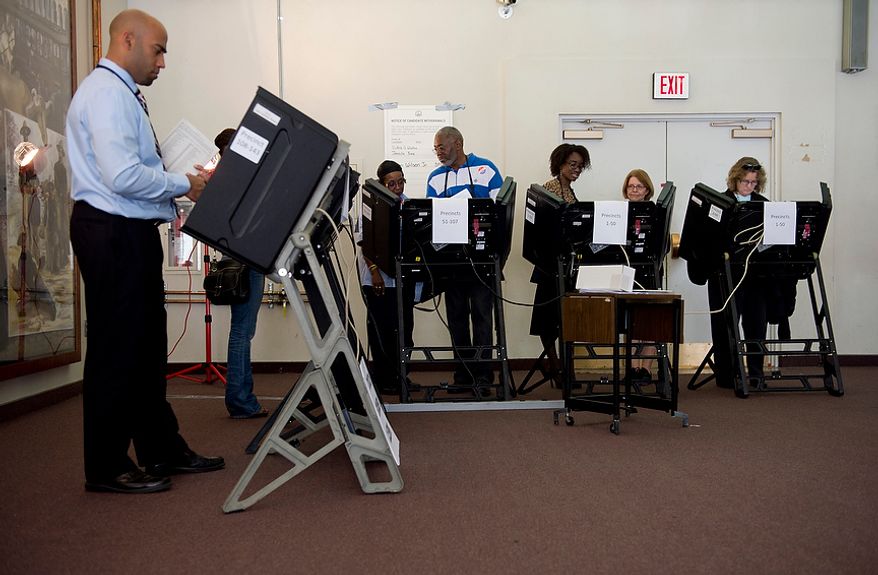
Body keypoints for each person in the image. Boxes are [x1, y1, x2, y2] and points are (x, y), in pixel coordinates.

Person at [67, 9, 223, 494]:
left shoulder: (121, 94)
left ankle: (160, 448)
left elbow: (131, 176)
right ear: (128, 40)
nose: (162, 63)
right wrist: (186, 184)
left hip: (126, 232)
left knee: (146, 349)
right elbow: (121, 176)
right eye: (158, 51)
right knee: (118, 352)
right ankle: (108, 467)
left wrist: (181, 188)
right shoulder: (108, 94)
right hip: (111, 232)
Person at [426, 126, 503, 394]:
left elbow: (499, 211)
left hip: (481, 259)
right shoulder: (435, 177)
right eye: (435, 148)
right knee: (457, 317)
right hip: (450, 260)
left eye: (441, 147)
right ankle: (463, 375)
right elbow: (432, 217)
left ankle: (483, 376)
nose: (438, 152)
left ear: (457, 143)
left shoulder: (486, 169)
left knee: (482, 316)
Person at [210, 128, 268, 419]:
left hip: (238, 259)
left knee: (243, 331)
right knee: (242, 332)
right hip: (246, 260)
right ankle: (240, 401)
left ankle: (242, 398)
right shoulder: (237, 180)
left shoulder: (224, 179)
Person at [707, 157, 774, 389]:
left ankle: (756, 374)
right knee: (725, 324)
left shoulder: (764, 205)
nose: (749, 186)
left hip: (755, 274)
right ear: (735, 179)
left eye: (753, 183)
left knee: (757, 323)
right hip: (724, 274)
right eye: (745, 181)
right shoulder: (719, 202)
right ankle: (728, 375)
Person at [529, 144, 590, 387]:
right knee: (547, 320)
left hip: (567, 267)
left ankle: (563, 368)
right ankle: (556, 366)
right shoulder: (549, 190)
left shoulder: (569, 190)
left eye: (580, 166)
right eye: (572, 164)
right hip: (549, 266)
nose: (577, 169)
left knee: (567, 320)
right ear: (560, 164)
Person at [357, 160, 415, 394]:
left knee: (404, 329)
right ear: (382, 184)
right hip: (377, 281)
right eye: (392, 183)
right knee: (381, 329)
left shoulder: (409, 205)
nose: (398, 187)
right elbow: (365, 242)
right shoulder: (370, 205)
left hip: (403, 280)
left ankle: (401, 376)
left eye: (401, 181)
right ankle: (383, 379)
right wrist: (375, 273)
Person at [622, 169, 657, 382]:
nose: (634, 190)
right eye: (631, 186)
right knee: (631, 322)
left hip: (648, 271)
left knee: (649, 322)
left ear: (647, 190)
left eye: (639, 186)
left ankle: (646, 369)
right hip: (627, 270)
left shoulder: (654, 212)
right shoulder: (619, 211)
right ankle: (632, 369)